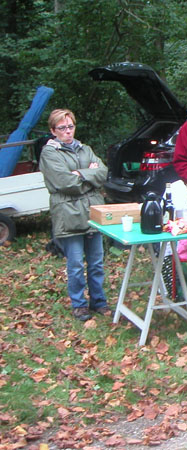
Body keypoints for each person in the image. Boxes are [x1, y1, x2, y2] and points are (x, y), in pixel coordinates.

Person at [39, 109, 109, 321]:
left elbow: (103, 173)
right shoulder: (49, 153)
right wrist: (89, 174)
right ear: (53, 131)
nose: (68, 131)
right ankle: (79, 305)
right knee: (76, 264)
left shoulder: (84, 149)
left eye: (70, 126)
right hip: (68, 215)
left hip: (93, 213)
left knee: (97, 262)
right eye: (62, 128)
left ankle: (99, 301)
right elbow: (64, 182)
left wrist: (80, 174)